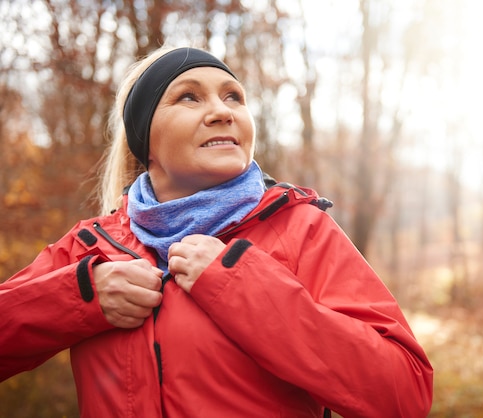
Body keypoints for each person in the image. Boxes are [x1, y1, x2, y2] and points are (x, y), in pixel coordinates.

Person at [0, 46, 433, 417]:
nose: (223, 112)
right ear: (145, 140)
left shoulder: (300, 227)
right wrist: (78, 298)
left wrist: (241, 288)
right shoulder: (90, 246)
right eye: (189, 97)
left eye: (234, 98)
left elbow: (404, 394)